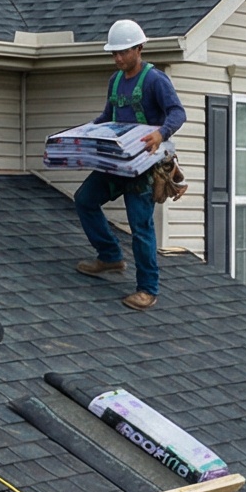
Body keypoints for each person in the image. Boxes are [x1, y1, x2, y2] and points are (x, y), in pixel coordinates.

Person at [74, 18, 185, 311]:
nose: (118, 58)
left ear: (139, 48)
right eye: (114, 53)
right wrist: (84, 131)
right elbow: (108, 117)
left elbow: (177, 112)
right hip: (117, 162)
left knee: (140, 225)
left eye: (123, 52)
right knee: (85, 199)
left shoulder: (155, 80)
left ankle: (148, 289)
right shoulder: (115, 81)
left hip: (145, 167)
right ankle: (110, 255)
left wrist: (160, 133)